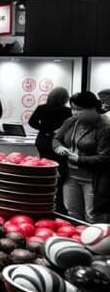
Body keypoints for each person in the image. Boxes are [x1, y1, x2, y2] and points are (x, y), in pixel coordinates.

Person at [53, 91, 110, 222]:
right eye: (73, 109)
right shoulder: (71, 122)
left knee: (93, 216)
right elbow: (56, 138)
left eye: (79, 109)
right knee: (72, 212)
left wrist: (79, 159)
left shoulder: (105, 127)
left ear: (93, 108)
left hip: (93, 179)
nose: (74, 113)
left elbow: (106, 158)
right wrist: (58, 147)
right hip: (70, 176)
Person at [30, 86, 72, 211]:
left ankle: (43, 199)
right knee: (61, 170)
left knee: (45, 168)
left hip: (43, 140)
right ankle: (59, 203)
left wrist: (44, 129)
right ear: (65, 98)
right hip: (59, 142)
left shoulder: (42, 108)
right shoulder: (67, 111)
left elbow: (32, 122)